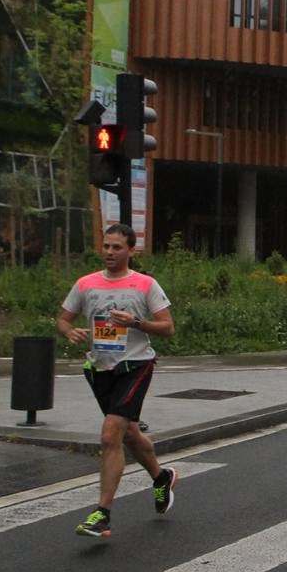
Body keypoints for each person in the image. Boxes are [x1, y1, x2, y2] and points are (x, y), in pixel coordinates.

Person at [57, 223, 179, 539]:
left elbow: (168, 328)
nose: (110, 252)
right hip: (100, 369)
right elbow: (63, 318)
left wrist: (136, 322)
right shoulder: (86, 284)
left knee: (111, 433)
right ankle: (161, 476)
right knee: (129, 433)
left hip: (135, 366)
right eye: (106, 246)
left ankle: (103, 514)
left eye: (116, 247)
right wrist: (68, 330)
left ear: (130, 251)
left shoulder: (145, 284)